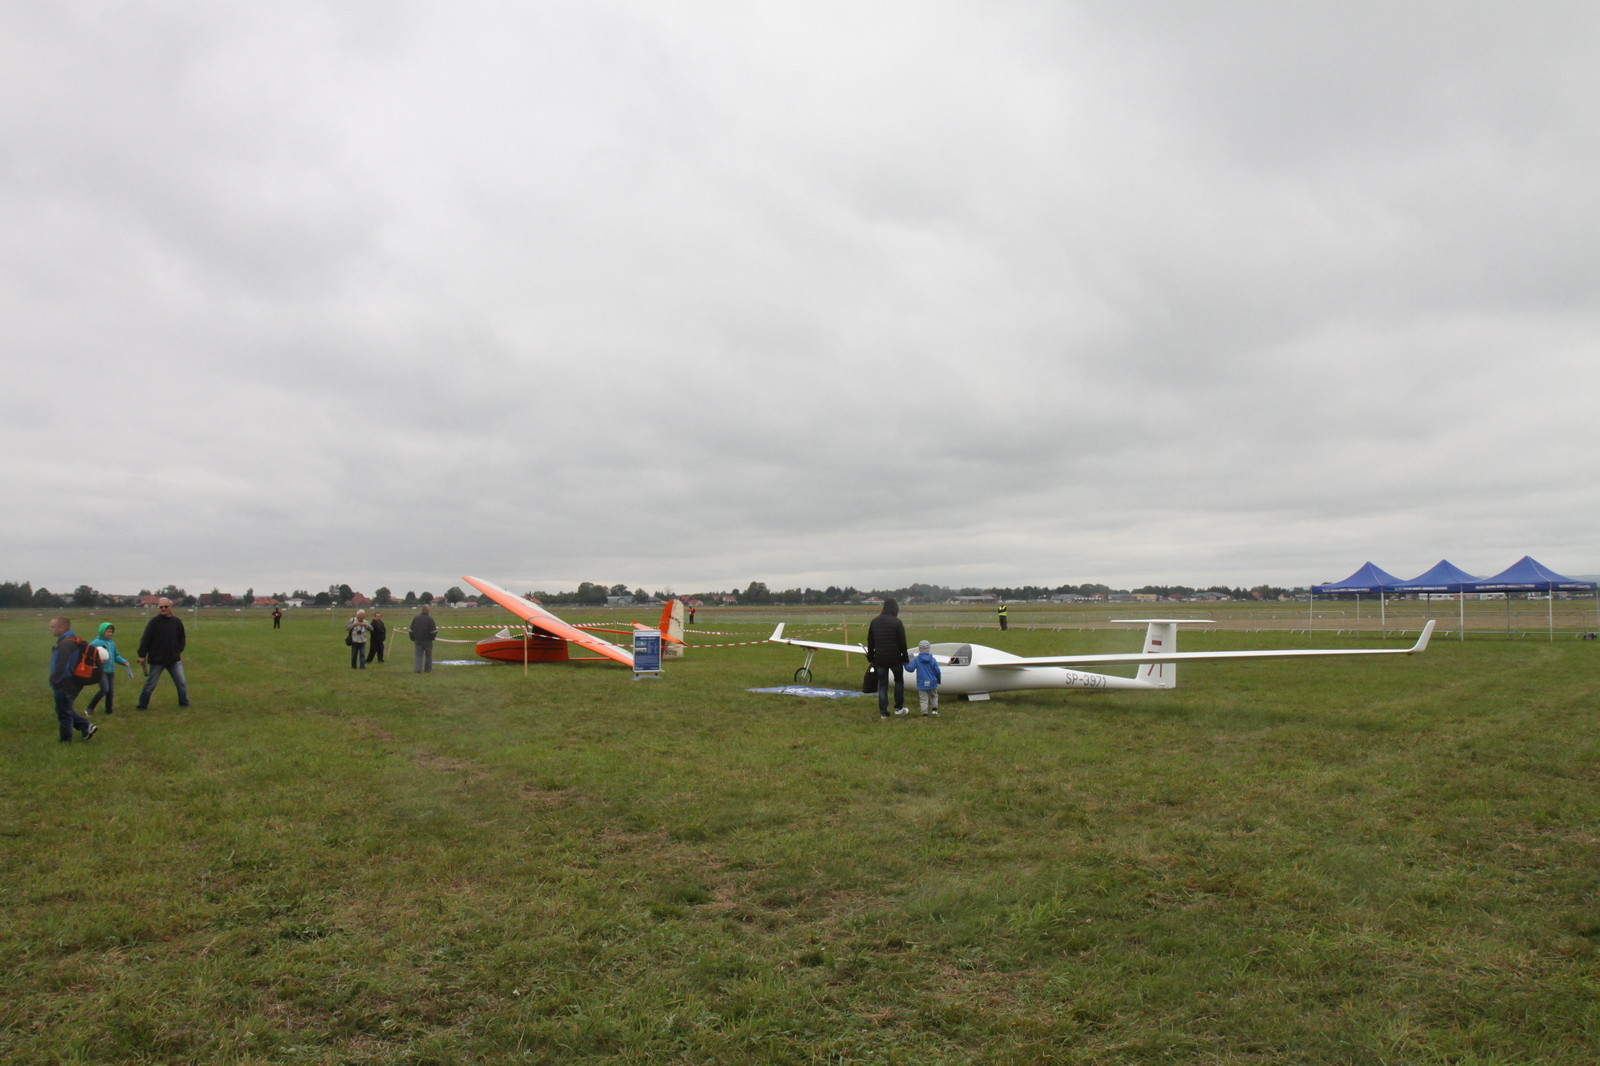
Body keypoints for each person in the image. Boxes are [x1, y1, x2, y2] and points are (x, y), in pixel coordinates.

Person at [48, 617, 97, 742]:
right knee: (64, 708)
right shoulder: (73, 639)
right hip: (74, 681)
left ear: (62, 628)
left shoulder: (66, 644)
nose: (50, 629)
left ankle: (65, 740)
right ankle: (86, 727)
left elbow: (62, 666)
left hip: (65, 682)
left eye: (53, 627)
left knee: (64, 712)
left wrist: (54, 680)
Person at [136, 598, 189, 709]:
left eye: (165, 606)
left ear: (170, 607)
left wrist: (177, 650)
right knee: (150, 684)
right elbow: (146, 639)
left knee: (181, 683)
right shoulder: (154, 622)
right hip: (157, 660)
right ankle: (142, 706)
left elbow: (182, 639)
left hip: (174, 659)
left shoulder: (177, 622)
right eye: (161, 607)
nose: (163, 609)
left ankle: (184, 703)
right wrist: (141, 655)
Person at [866, 598, 910, 719]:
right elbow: (902, 642)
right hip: (895, 658)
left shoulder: (874, 622)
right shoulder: (897, 622)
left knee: (883, 685)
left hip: (880, 658)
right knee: (899, 682)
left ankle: (883, 713)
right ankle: (899, 708)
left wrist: (870, 657)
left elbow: (870, 642)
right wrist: (905, 657)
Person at [86, 621, 131, 716]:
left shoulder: (112, 643)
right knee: (104, 689)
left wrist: (123, 661)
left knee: (110, 691)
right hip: (100, 671)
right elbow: (88, 656)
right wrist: (97, 660)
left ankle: (109, 711)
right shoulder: (95, 643)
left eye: (111, 632)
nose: (110, 633)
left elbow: (116, 656)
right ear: (102, 631)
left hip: (111, 671)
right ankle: (90, 707)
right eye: (108, 631)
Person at [908, 639, 942, 717]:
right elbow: (937, 671)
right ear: (928, 649)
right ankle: (934, 710)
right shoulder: (933, 660)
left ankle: (924, 714)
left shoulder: (917, 660)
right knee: (934, 696)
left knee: (923, 699)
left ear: (919, 649)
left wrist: (905, 663)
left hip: (922, 682)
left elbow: (910, 669)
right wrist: (938, 680)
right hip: (932, 682)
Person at [409, 604, 438, 673]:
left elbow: (411, 630)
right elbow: (433, 631)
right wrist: (432, 638)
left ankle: (418, 670)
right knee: (428, 656)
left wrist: (412, 638)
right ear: (428, 611)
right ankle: (427, 670)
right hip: (427, 641)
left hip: (418, 640)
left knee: (418, 655)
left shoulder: (416, 618)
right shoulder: (430, 619)